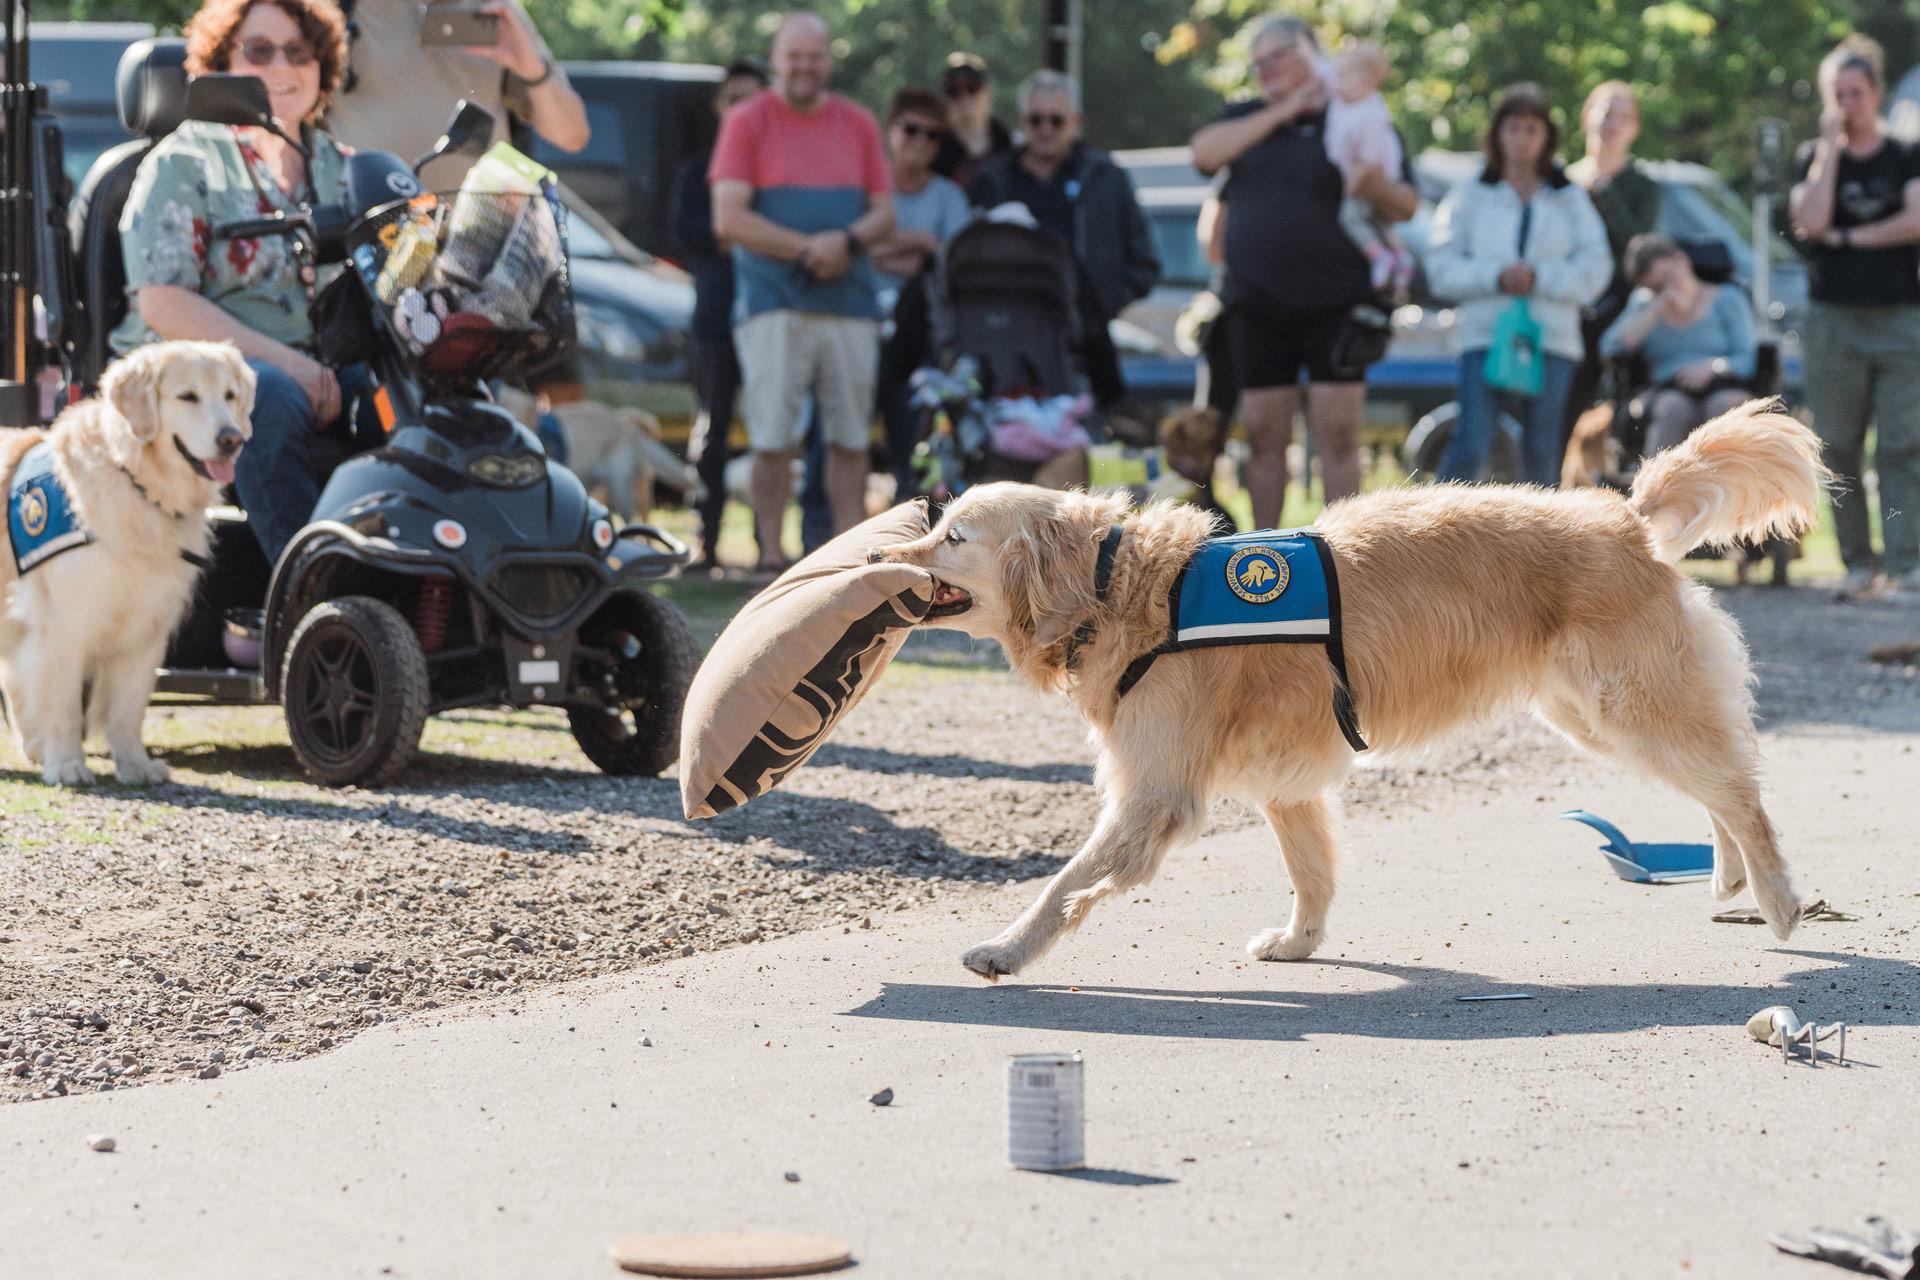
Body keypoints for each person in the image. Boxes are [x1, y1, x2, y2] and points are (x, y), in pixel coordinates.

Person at [113, 0, 363, 567]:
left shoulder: (345, 168)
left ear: (322, 66)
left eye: (299, 51)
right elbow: (164, 303)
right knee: (261, 395)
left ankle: (428, 582)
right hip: (204, 370)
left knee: (410, 398)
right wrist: (296, 369)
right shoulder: (186, 161)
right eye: (258, 50)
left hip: (323, 363)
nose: (281, 66)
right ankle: (314, 588)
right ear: (219, 65)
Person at [1188, 14, 1418, 529]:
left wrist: (1373, 185)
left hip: (1336, 304)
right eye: (1258, 62)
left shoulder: (1353, 112)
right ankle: (1263, 556)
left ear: (1310, 52)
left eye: (1278, 56)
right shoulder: (1248, 117)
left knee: (1338, 436)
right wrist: (1285, 109)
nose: (1266, 69)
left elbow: (1405, 203)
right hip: (1257, 306)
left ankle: (1345, 560)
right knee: (1265, 438)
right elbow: (1203, 154)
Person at [710, 10, 894, 568]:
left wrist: (845, 241)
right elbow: (728, 219)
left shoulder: (859, 122)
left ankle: (847, 555)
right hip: (773, 304)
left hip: (850, 304)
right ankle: (769, 554)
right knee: (771, 437)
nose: (804, 67)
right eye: (794, 56)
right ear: (776, 60)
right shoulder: (746, 121)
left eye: (814, 56)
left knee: (850, 438)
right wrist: (808, 249)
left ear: (828, 60)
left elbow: (885, 213)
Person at [1425, 82, 1612, 488]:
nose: (1522, 140)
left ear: (1546, 137)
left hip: (1552, 337)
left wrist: (1541, 278)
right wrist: (1495, 276)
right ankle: (1436, 542)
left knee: (1544, 448)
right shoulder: (1470, 195)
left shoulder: (1568, 198)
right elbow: (1440, 265)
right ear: (1497, 134)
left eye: (1532, 129)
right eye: (1513, 128)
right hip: (1486, 335)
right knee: (1471, 443)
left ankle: (1538, 548)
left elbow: (1596, 268)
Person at [1789, 34, 1920, 600]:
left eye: (1857, 92)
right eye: (1838, 94)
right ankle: (1856, 562)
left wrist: (1849, 236)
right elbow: (1811, 223)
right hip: (1832, 321)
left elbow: (1914, 220)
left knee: (1901, 444)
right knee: (1838, 444)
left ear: (1876, 93)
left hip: (1898, 318)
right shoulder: (1813, 158)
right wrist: (1829, 150)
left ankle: (1905, 560)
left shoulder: (1905, 153)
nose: (1849, 103)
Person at [968, 69, 1159, 411]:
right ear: (1021, 121)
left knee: (1086, 451)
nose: (1045, 129)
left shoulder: (1105, 176)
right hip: (1005, 345)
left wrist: (1101, 305)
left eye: (1056, 120)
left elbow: (1144, 262)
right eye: (1035, 119)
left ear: (1076, 121)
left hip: (1083, 346)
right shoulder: (992, 180)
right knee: (1009, 449)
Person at [669, 57, 769, 571]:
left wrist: (738, 235)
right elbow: (688, 234)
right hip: (715, 317)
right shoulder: (696, 170)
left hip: (767, 316)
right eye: (734, 99)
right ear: (719, 105)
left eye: (753, 99)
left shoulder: (773, 170)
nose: (742, 110)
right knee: (712, 430)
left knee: (769, 432)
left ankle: (767, 545)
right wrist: (740, 235)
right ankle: (703, 540)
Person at [322, 0, 588, 186]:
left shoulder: (493, 10)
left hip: (478, 246)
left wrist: (531, 69)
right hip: (367, 240)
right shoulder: (333, 10)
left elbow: (571, 135)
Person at [872, 87, 970, 498]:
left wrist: (887, 249)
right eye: (911, 129)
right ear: (891, 130)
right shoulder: (870, 186)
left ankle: (909, 511)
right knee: (842, 436)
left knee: (911, 430)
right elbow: (859, 252)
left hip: (917, 339)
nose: (920, 141)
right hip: (861, 324)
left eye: (932, 135)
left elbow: (950, 266)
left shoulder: (949, 196)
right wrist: (919, 241)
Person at [1600, 234, 1758, 453]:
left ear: (1682, 261)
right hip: (1668, 388)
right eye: (1656, 286)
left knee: (1725, 408)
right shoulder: (1645, 304)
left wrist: (1713, 367)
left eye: (1668, 278)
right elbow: (1611, 347)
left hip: (1722, 383)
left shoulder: (1728, 299)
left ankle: (1732, 481)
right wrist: (1655, 308)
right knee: (1673, 410)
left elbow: (1748, 359)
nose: (1667, 288)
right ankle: (1660, 482)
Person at [1566, 81, 1662, 435]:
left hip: (1616, 315)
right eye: (1607, 113)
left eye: (1624, 117)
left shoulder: (1643, 186)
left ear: (1634, 128)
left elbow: (1639, 250)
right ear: (1587, 116)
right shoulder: (1562, 180)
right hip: (1565, 311)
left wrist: (1605, 195)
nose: (1613, 124)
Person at [1324, 40, 1414, 299]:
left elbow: (1369, 156)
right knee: (1377, 222)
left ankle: (1380, 257)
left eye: (1342, 76)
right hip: (1365, 177)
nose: (1335, 83)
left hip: (1365, 179)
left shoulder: (1368, 114)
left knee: (1351, 218)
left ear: (1366, 81)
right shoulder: (1353, 106)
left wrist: (1358, 178)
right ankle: (1401, 256)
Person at [933, 53, 1011, 190]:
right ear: (943, 96)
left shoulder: (1010, 146)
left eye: (972, 87)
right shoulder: (933, 151)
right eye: (954, 90)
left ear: (988, 91)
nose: (964, 97)